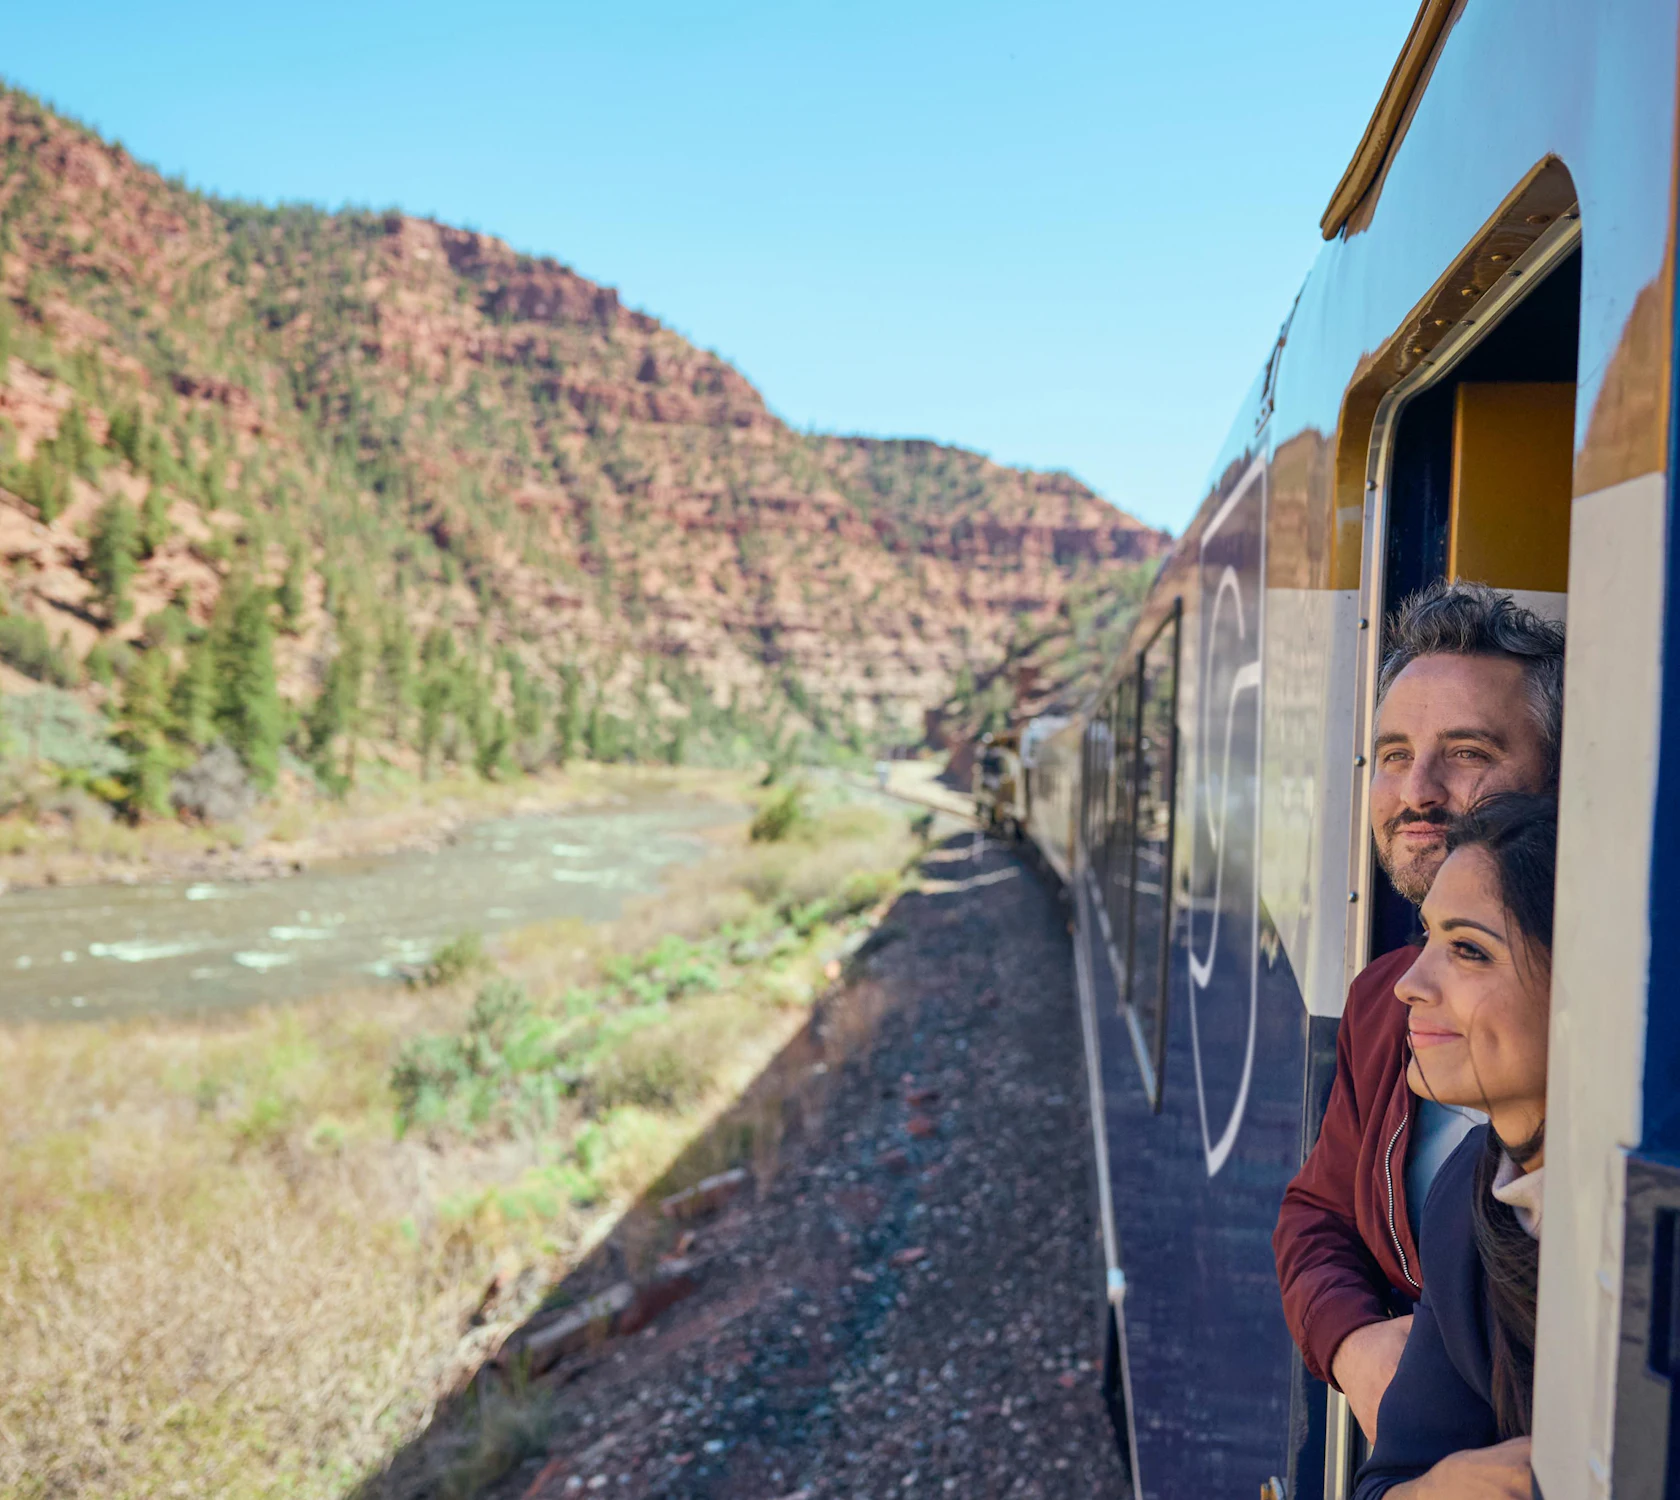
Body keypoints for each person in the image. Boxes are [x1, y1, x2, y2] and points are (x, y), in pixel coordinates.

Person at [1272, 582, 1565, 1440]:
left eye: (1468, 751)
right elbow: (1317, 1215)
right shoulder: (1383, 994)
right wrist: (1357, 1348)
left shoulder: (1622, 1022)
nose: (1417, 790)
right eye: (1393, 754)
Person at [1353, 792, 1554, 1498]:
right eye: (1427, 939)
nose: (1408, 984)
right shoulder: (1469, 1199)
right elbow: (1388, 1482)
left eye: (1467, 950)